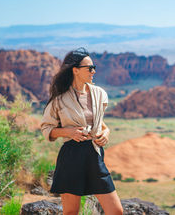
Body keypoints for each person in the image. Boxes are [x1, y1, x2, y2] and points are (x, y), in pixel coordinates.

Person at [41, 48, 123, 215]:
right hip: (72, 156)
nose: (93, 71)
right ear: (75, 70)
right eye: (89, 68)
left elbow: (100, 123)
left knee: (115, 211)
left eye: (94, 67)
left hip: (95, 155)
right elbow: (47, 128)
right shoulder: (60, 99)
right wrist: (69, 132)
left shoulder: (99, 94)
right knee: (71, 212)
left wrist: (106, 133)